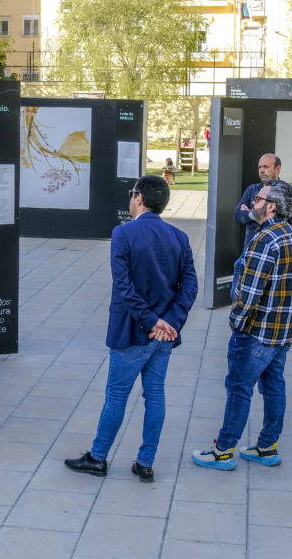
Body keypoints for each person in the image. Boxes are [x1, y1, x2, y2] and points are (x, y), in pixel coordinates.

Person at [65, 175, 198, 482]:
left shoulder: (123, 233)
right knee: (155, 396)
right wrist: (170, 323)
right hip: (164, 335)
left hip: (132, 332)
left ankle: (98, 458)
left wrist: (152, 322)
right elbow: (189, 286)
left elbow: (123, 287)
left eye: (131, 193)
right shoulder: (179, 236)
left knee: (116, 397)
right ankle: (145, 462)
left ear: (139, 198)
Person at [192, 180, 292, 471]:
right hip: (284, 330)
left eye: (258, 198)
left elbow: (249, 294)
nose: (251, 203)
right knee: (274, 386)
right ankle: (267, 447)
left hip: (256, 332)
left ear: (271, 206)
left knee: (238, 389)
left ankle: (222, 451)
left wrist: (236, 323)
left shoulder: (264, 240)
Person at [235, 154, 282, 246]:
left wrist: (250, 215)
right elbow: (237, 215)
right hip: (250, 247)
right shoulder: (252, 189)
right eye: (259, 167)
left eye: (266, 167)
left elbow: (281, 221)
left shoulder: (286, 191)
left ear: (278, 169)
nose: (261, 170)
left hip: (273, 247)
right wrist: (254, 215)